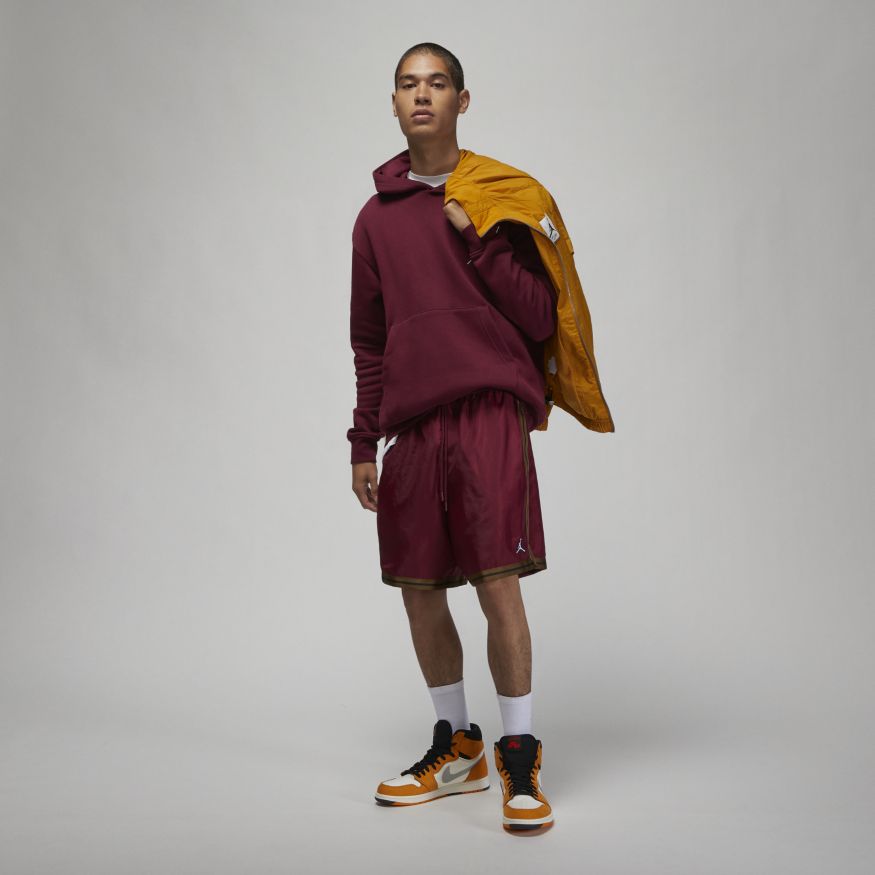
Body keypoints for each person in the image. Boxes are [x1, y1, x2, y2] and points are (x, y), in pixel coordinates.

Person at [347, 42, 556, 834]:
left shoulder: (501, 196)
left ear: (462, 101)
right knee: (420, 588)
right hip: (411, 425)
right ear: (394, 103)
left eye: (437, 83)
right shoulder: (374, 218)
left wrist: (481, 241)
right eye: (408, 84)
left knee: (497, 583)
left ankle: (518, 753)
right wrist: (363, 440)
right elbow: (369, 340)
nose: (421, 95)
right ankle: (456, 743)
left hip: (488, 411)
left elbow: (539, 318)